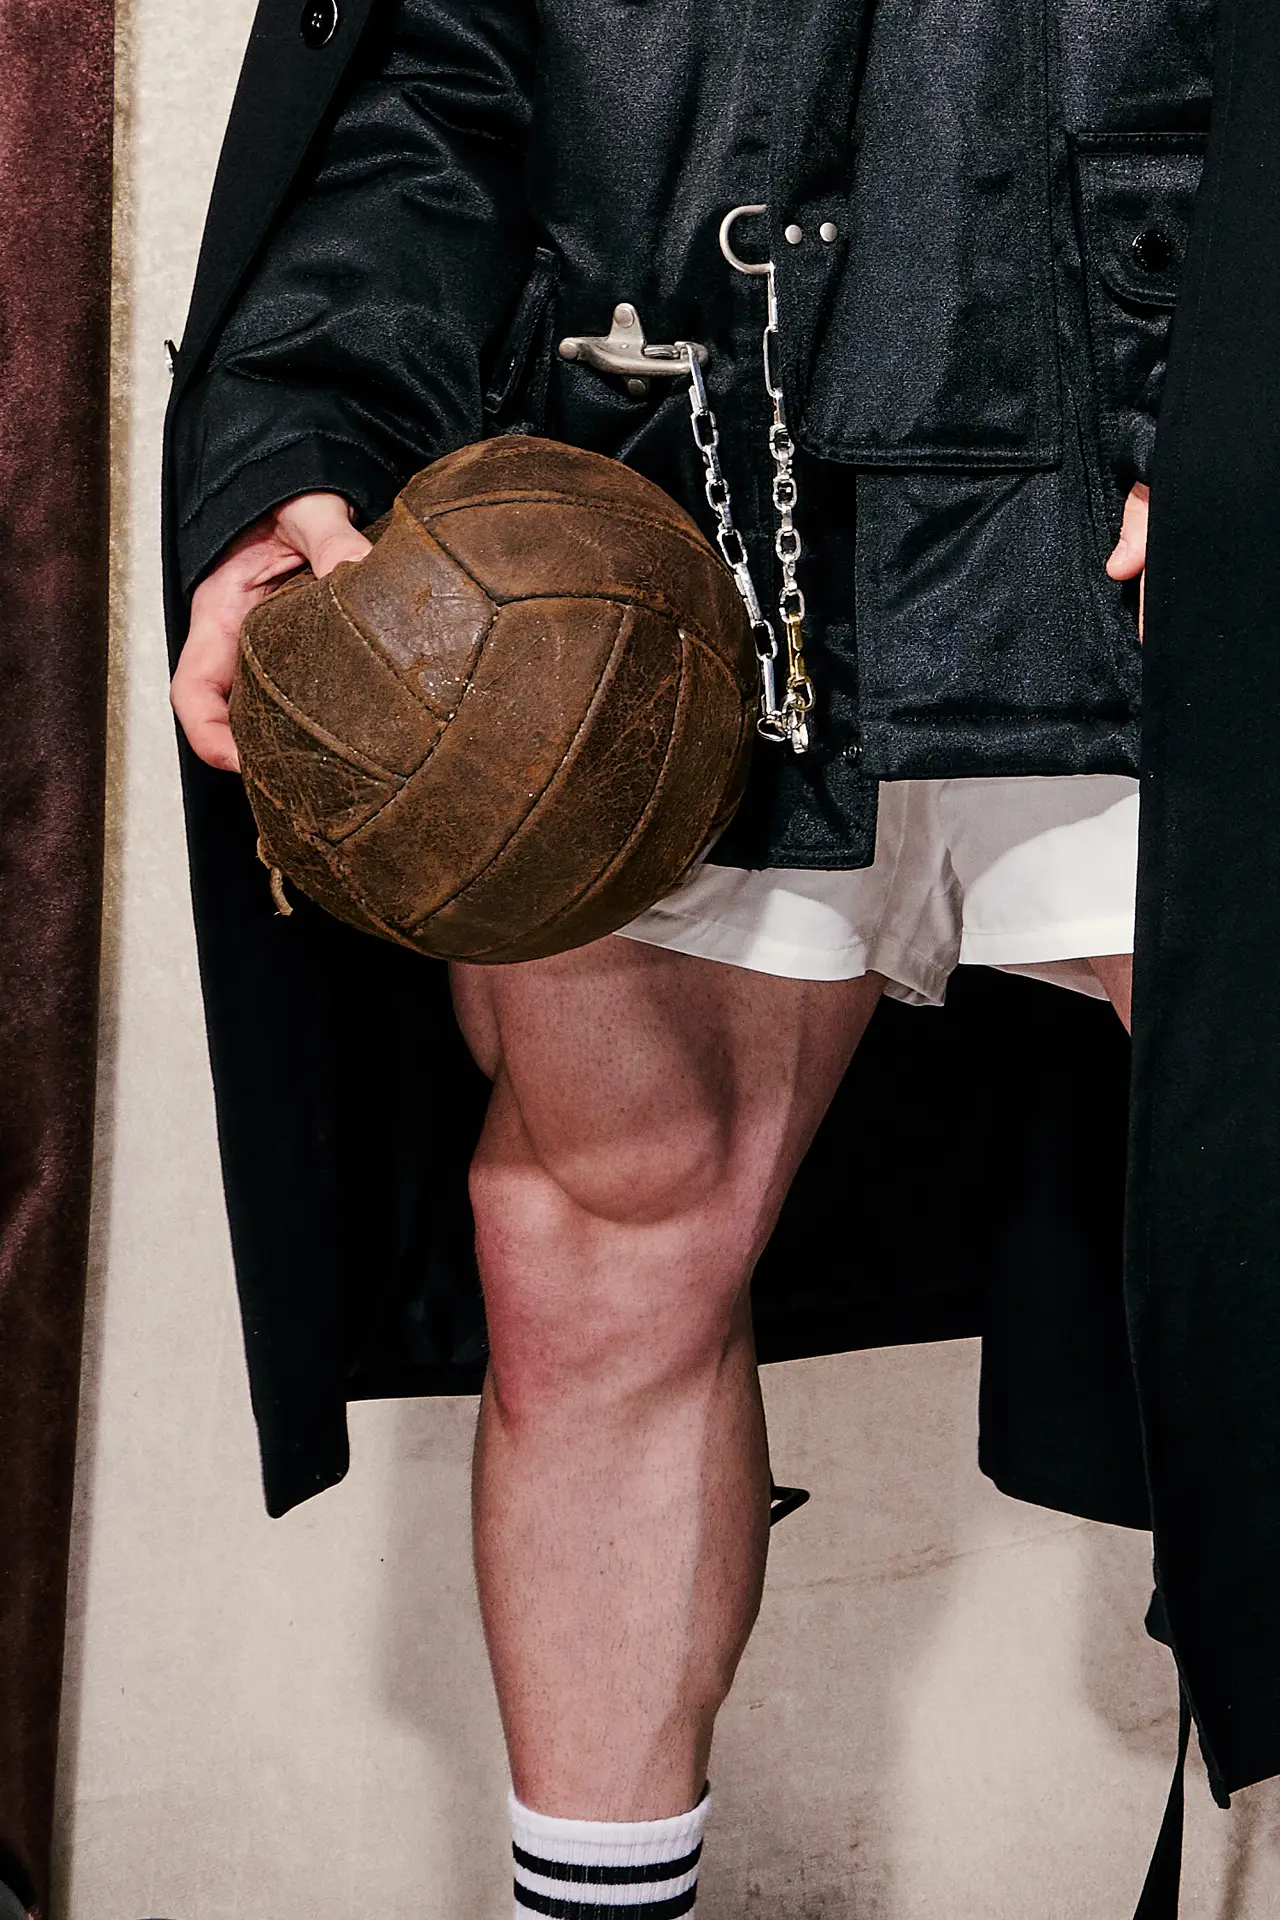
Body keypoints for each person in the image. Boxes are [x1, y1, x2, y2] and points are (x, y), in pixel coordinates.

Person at [163, 0, 1235, 1909]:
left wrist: (1243, 370)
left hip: (1158, 457)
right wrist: (312, 409)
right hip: (668, 468)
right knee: (605, 1237)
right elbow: (444, 57)